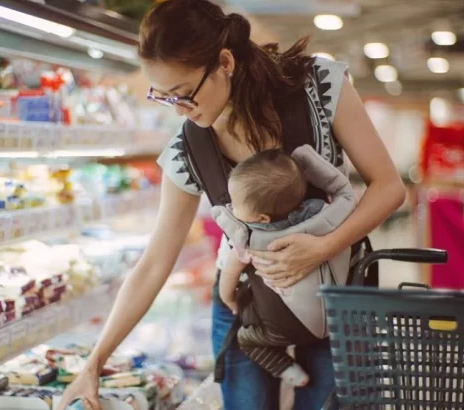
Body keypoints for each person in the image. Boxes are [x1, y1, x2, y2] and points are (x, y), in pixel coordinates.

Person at [56, 0, 406, 407]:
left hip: (340, 296)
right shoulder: (187, 150)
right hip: (248, 311)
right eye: (165, 97)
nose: (180, 109)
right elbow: (154, 262)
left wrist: (322, 247)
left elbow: (388, 187)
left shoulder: (320, 85)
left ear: (225, 62)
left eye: (184, 93)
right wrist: (94, 363)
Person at [214, 146, 356, 388]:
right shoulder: (326, 215)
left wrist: (228, 298)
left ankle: (287, 369)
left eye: (235, 204)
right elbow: (344, 191)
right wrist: (307, 159)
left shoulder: (247, 237)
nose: (231, 207)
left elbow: (230, 272)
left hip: (280, 329)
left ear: (262, 219)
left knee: (246, 339)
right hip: (333, 320)